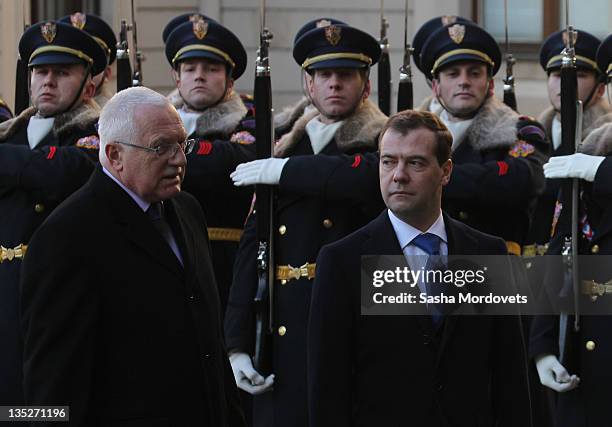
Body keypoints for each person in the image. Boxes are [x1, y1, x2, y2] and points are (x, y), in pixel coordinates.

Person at [20, 87, 246, 426]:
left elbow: (208, 340)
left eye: (181, 144)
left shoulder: (186, 210)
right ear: (114, 155)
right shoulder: (67, 237)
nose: (180, 159)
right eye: (161, 147)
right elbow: (54, 383)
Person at [308, 110, 531, 427]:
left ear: (446, 171)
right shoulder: (343, 260)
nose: (398, 175)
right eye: (388, 161)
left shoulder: (486, 252)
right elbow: (329, 387)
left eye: (415, 162)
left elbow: (510, 376)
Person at [225, 19, 387, 427]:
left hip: (356, 317)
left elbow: (363, 177)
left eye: (346, 75)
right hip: (286, 324)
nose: (334, 84)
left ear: (365, 86)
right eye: (323, 75)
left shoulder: (383, 139)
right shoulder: (282, 144)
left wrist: (284, 171)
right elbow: (254, 244)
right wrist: (237, 343)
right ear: (308, 85)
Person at [0, 20, 106, 405]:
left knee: (53, 404)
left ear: (89, 85)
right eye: (40, 72)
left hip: (66, 292)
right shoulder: (10, 136)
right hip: (7, 295)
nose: (48, 81)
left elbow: (65, 171)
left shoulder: (99, 133)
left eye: (62, 73)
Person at [530, 33, 612, 427]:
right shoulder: (594, 150)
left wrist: (600, 171)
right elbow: (563, 246)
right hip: (588, 362)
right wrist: (544, 345)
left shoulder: (595, 164)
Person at [163, 13, 256, 313]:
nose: (199, 75)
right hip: (163, 251)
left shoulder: (249, 120)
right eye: (189, 68)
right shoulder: (154, 118)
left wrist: (159, 152)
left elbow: (232, 163)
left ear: (230, 80)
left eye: (211, 68)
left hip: (223, 259)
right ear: (177, 78)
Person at [525, 28, 610, 256]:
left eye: (578, 76)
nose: (565, 82)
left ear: (601, 89)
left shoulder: (605, 142)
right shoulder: (531, 134)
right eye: (557, 74)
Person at [59, 12, 118, 107]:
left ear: (107, 73)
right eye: (69, 63)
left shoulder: (117, 119)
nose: (80, 69)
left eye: (89, 62)